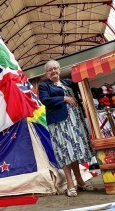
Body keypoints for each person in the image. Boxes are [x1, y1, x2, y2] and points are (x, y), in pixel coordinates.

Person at [38, 60, 95, 197]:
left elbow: (81, 85)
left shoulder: (68, 83)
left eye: (55, 68)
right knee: (65, 152)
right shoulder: (44, 86)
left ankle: (80, 180)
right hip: (59, 124)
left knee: (73, 151)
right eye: (50, 70)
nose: (53, 71)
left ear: (59, 69)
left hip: (75, 122)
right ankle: (70, 183)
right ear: (46, 73)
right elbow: (45, 100)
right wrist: (64, 98)